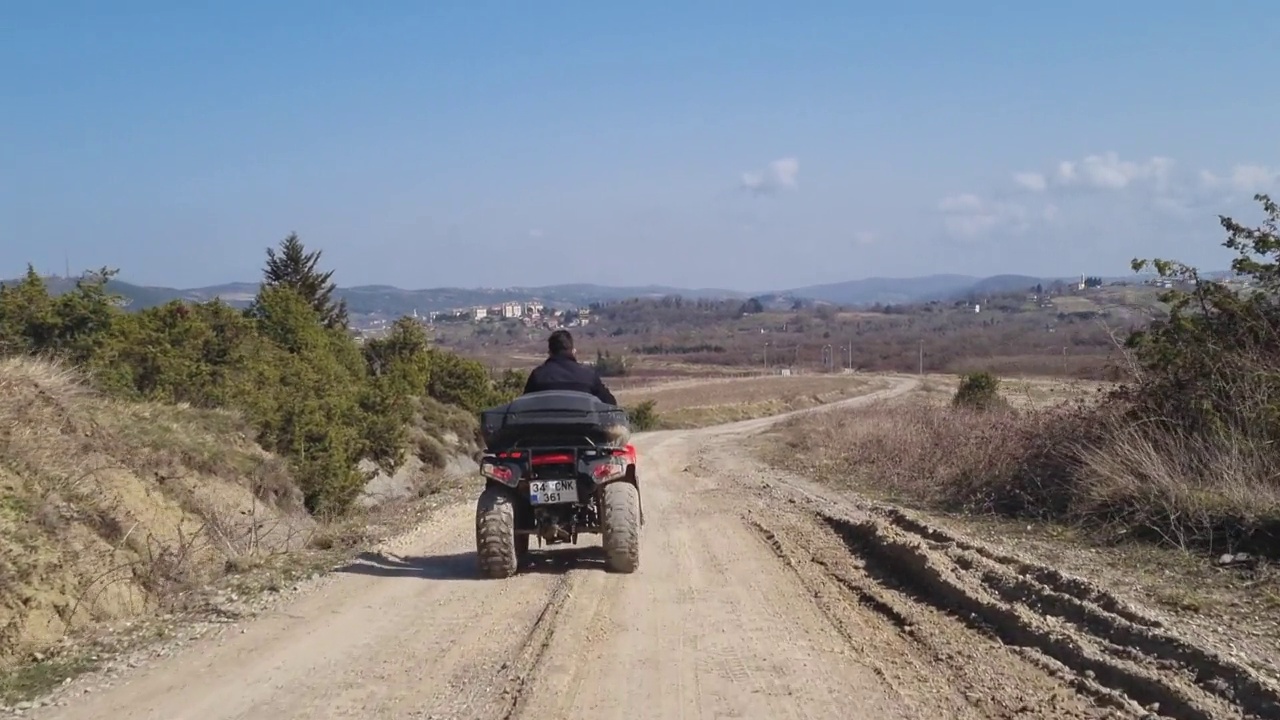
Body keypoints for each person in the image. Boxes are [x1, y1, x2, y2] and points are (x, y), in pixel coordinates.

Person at [523, 329, 618, 405]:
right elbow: (610, 404)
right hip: (584, 428)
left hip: (544, 428)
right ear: (573, 351)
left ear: (550, 352)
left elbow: (525, 405)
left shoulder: (537, 376)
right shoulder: (588, 376)